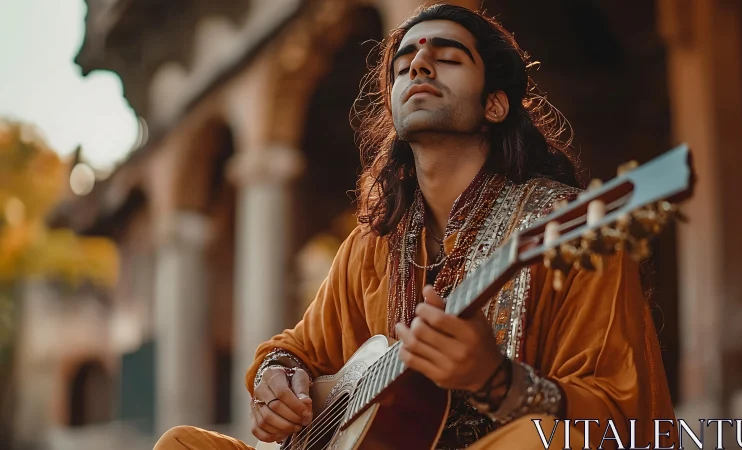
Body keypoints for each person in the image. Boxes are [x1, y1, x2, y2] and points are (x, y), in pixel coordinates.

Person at [155, 4, 675, 449]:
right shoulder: (373, 245)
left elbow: (621, 419)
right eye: (404, 65)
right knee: (180, 443)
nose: (420, 65)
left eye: (448, 58)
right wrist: (276, 381)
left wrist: (498, 382)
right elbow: (299, 349)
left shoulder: (574, 230)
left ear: (495, 103)